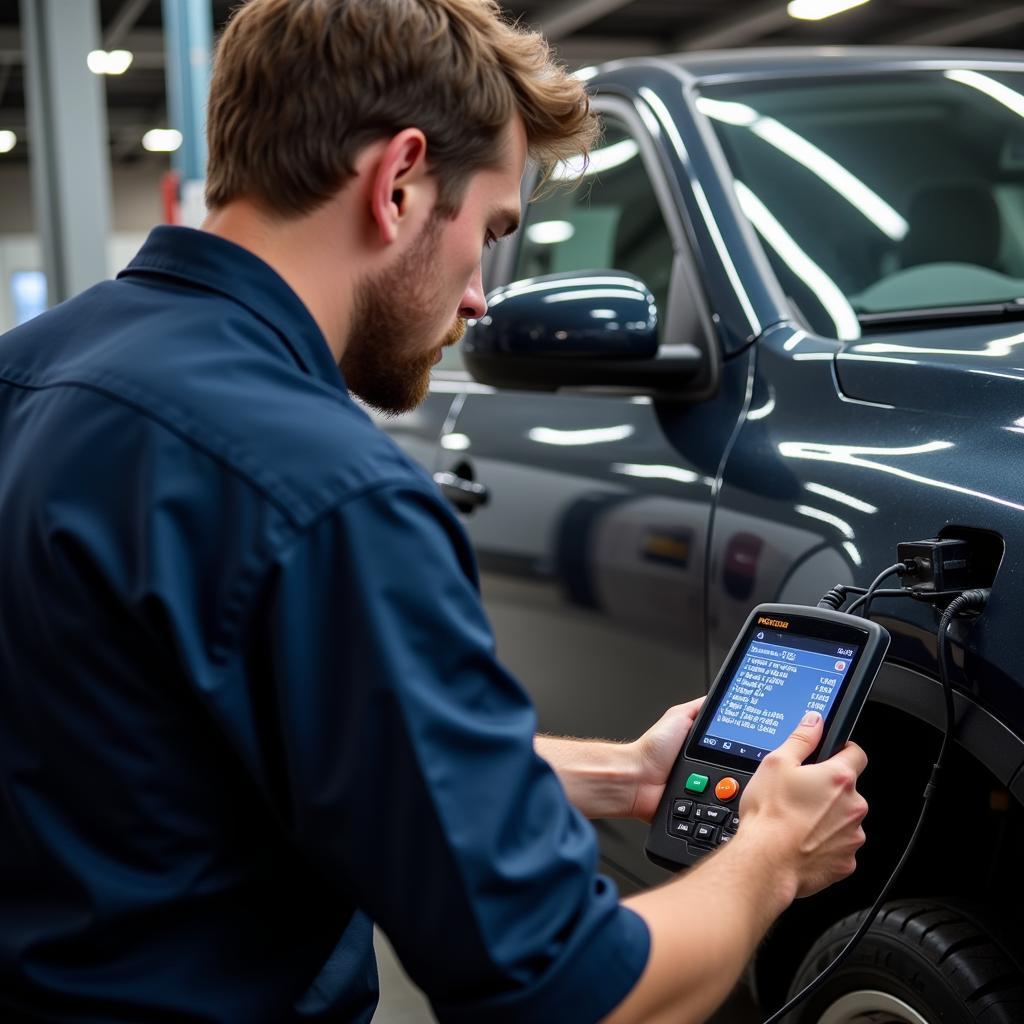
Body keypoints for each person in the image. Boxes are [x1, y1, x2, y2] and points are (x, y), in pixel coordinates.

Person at [0, 0, 868, 1021]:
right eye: (492, 230)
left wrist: (622, 772)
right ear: (401, 180)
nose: (478, 298)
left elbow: (210, 749)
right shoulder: (328, 494)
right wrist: (767, 851)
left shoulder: (30, 374)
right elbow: (563, 993)